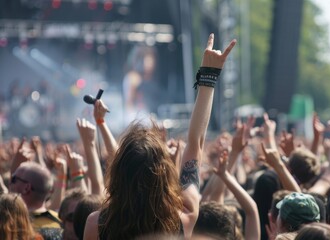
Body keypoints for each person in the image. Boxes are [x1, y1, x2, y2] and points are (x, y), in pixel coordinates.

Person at [83, 34, 236, 239]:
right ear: (165, 174)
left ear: (118, 172)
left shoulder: (96, 223)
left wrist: (101, 124)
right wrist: (209, 76)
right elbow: (196, 143)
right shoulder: (183, 218)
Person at [10, 161, 62, 239]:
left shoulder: (10, 224)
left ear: (26, 188)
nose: (11, 183)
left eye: (14, 179)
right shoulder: (61, 221)